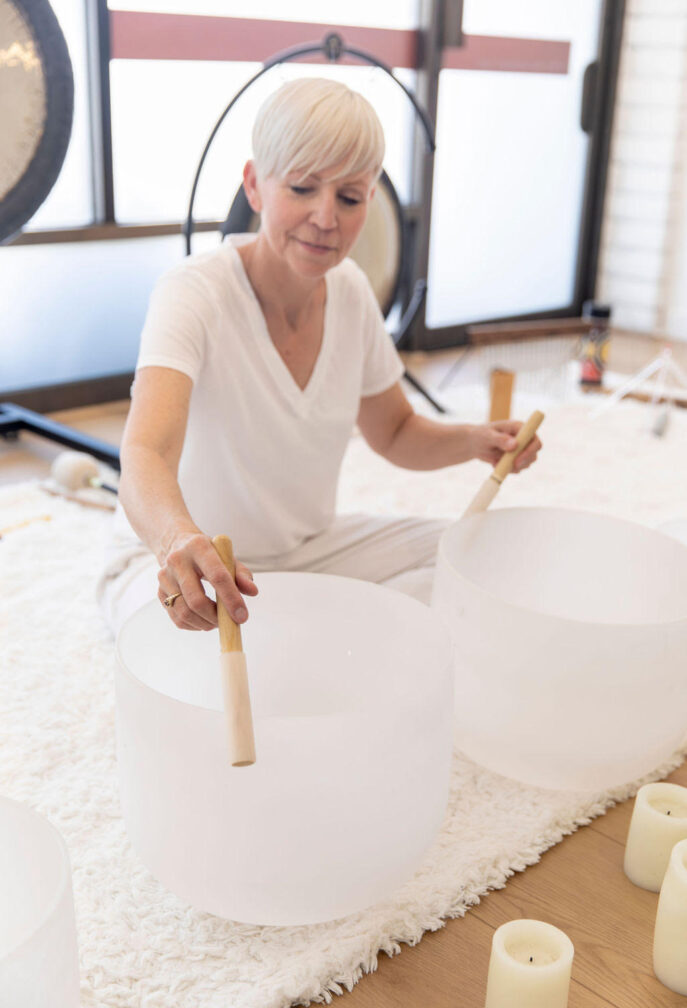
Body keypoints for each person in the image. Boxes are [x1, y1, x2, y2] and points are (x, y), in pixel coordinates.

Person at [98, 77, 541, 635]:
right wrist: (176, 540)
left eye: (350, 198)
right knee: (211, 655)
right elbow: (146, 451)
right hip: (180, 565)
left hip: (310, 550)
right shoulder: (193, 291)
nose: (326, 218)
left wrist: (477, 441)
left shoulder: (352, 291)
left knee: (467, 559)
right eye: (303, 188)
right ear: (256, 186)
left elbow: (396, 432)